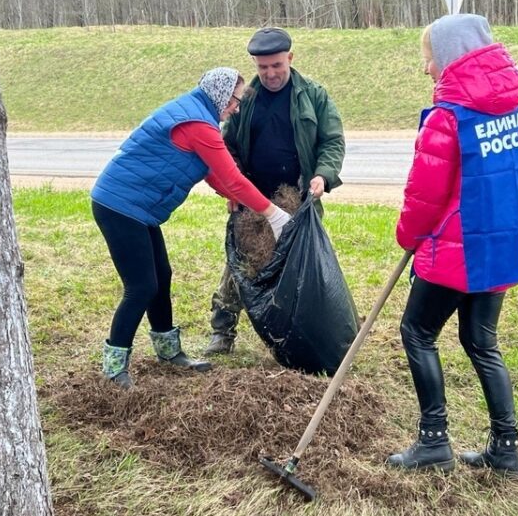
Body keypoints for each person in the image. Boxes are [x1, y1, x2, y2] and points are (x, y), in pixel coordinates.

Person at [386, 14, 518, 477]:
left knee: (417, 333)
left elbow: (424, 195)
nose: (426, 69)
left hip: (455, 253)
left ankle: (433, 442)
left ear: (447, 57)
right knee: (481, 341)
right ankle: (506, 450)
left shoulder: (448, 117)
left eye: (428, 59)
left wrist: (408, 237)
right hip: (500, 249)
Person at [90, 68, 292, 388]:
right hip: (119, 206)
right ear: (221, 95)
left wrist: (231, 194)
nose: (236, 108)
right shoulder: (199, 124)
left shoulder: (199, 114)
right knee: (141, 286)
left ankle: (169, 353)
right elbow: (232, 177)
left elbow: (212, 171)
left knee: (162, 276)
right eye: (235, 100)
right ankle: (115, 367)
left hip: (138, 209)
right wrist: (273, 214)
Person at [205, 27, 346, 354]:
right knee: (240, 264)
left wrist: (323, 176)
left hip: (297, 199)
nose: (270, 73)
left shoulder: (313, 95)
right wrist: (232, 187)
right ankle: (222, 329)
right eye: (262, 67)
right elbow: (226, 147)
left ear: (290, 59)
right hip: (252, 198)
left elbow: (332, 141)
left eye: (277, 65)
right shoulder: (246, 99)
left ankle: (304, 333)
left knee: (301, 266)